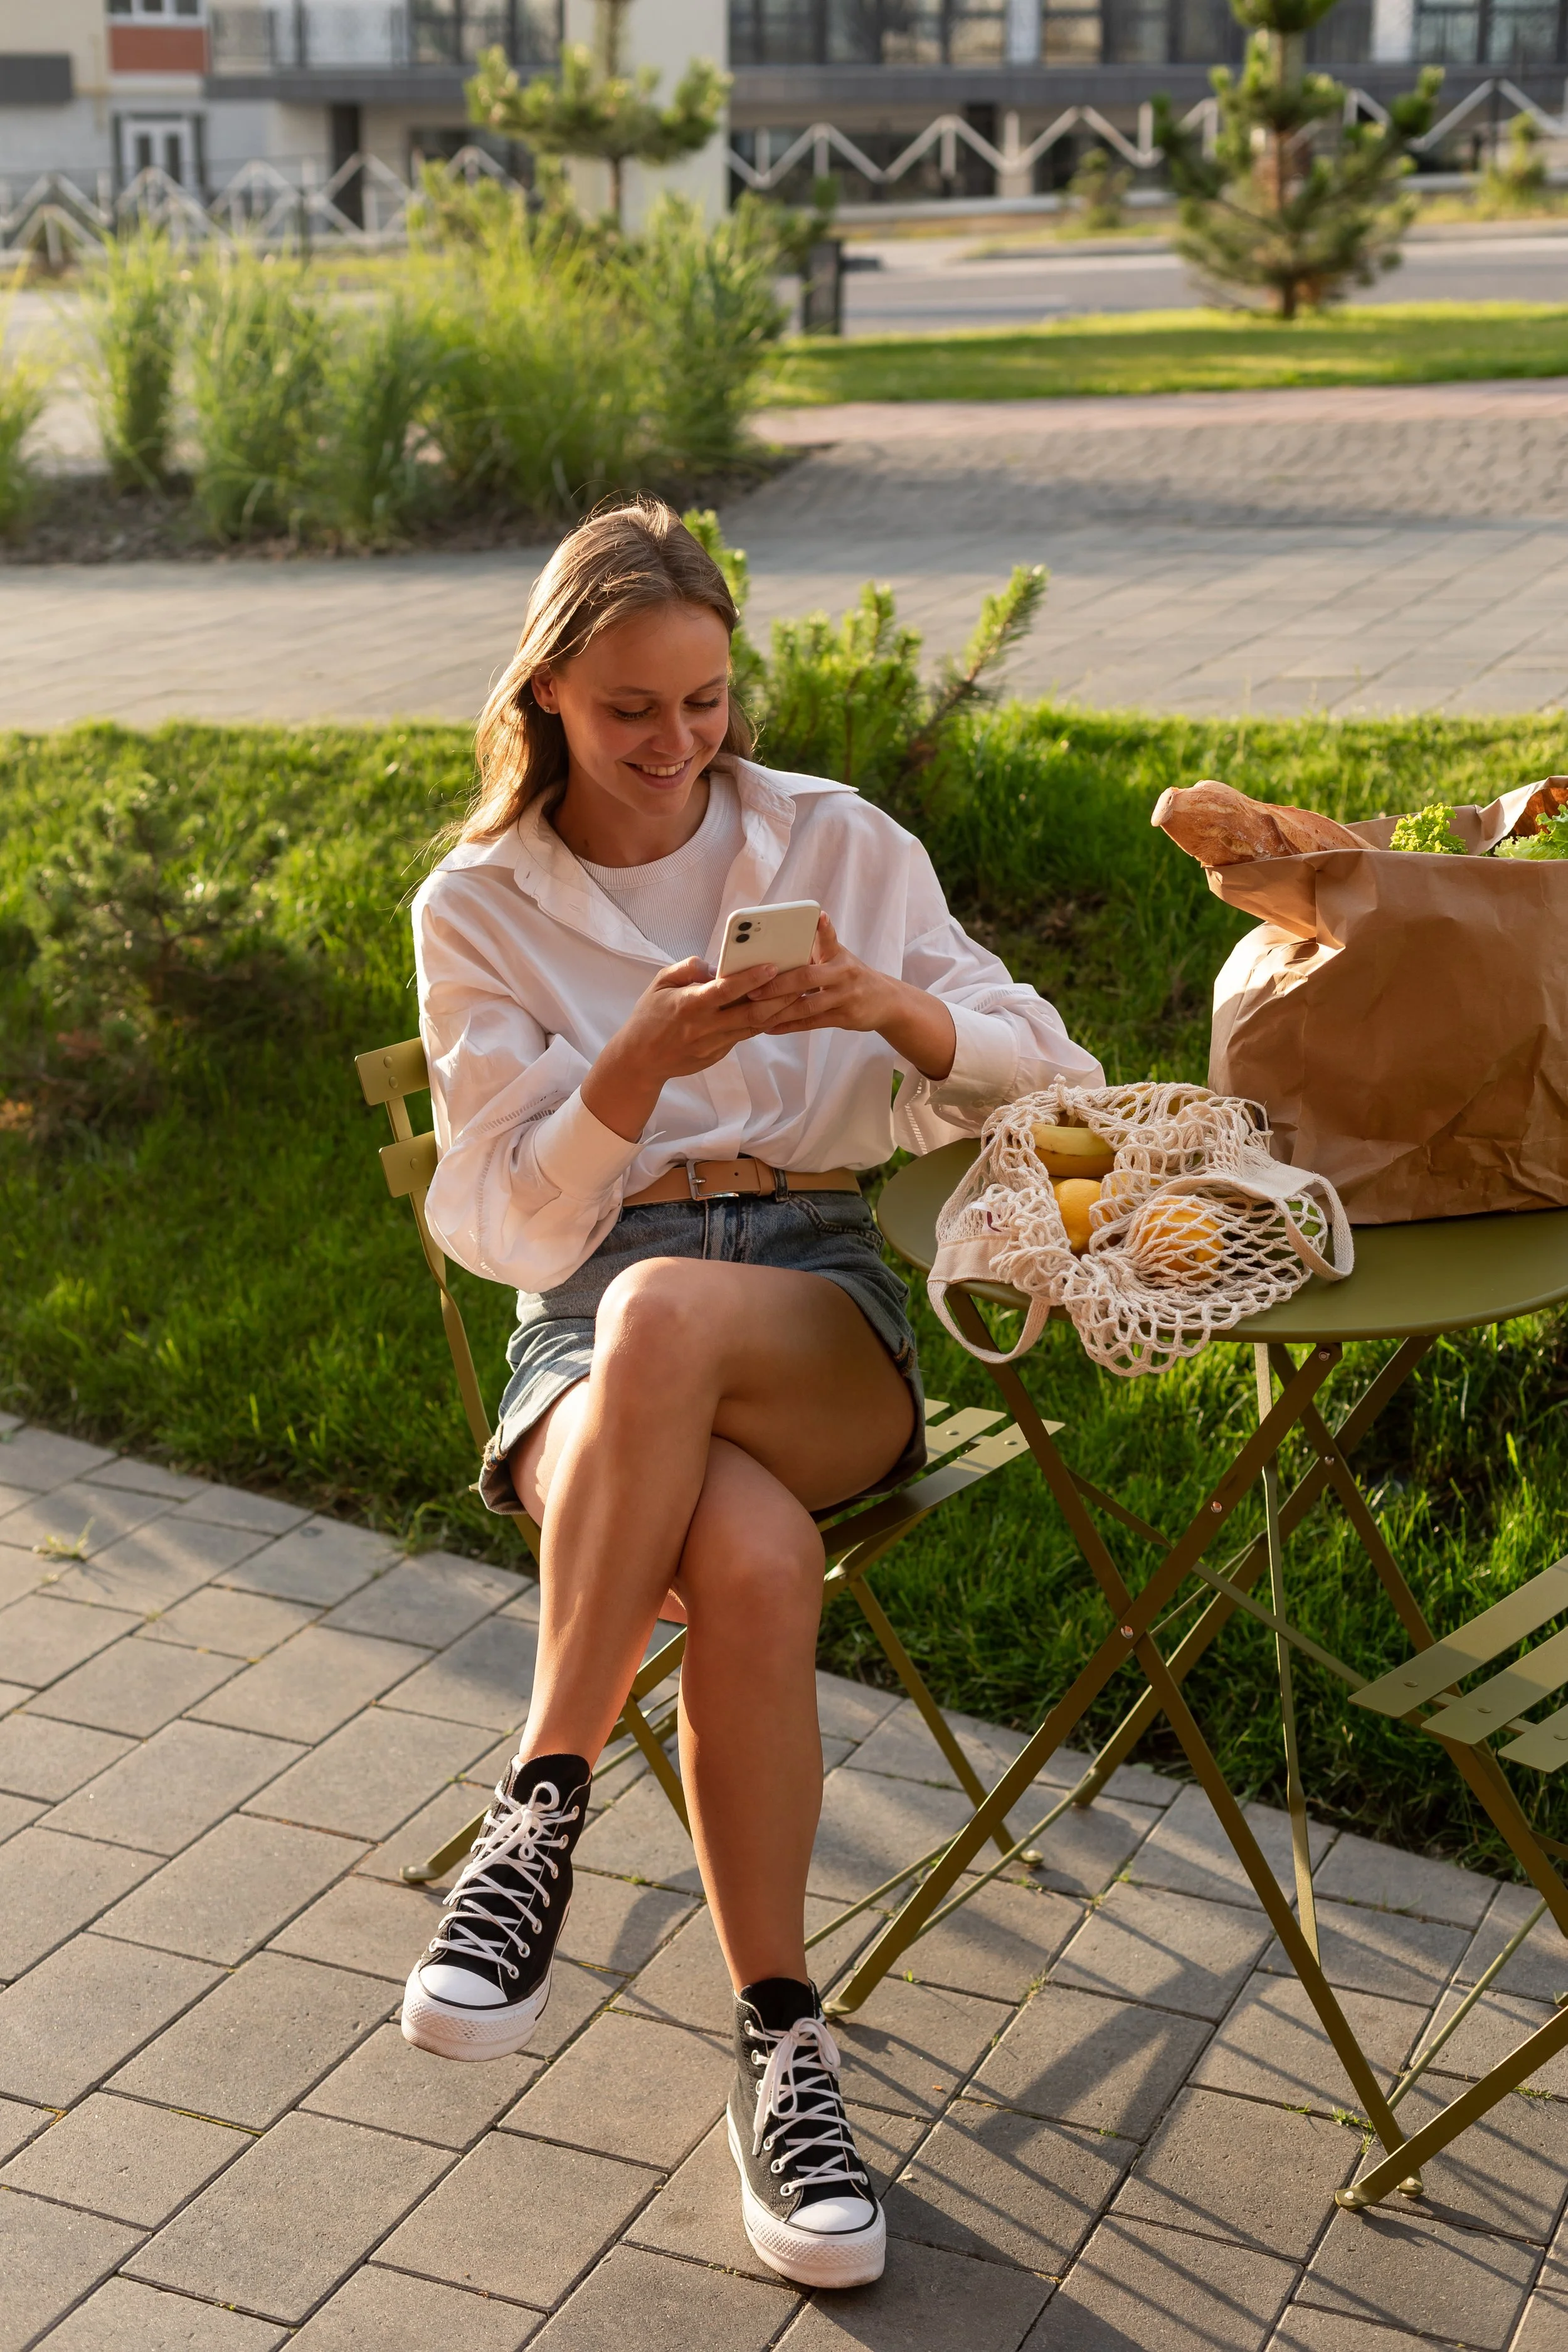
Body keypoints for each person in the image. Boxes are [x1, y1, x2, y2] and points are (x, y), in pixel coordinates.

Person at [400, 497, 1102, 2291]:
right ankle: (785, 2049)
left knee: (666, 1318)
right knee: (752, 1556)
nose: (679, 744)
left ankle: (536, 1802)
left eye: (707, 700)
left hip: (807, 1307)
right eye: (632, 709)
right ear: (547, 692)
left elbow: (1053, 1081)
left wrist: (897, 1013)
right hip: (586, 1320)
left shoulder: (832, 840)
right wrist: (630, 1066)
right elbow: (494, 1218)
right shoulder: (480, 903)